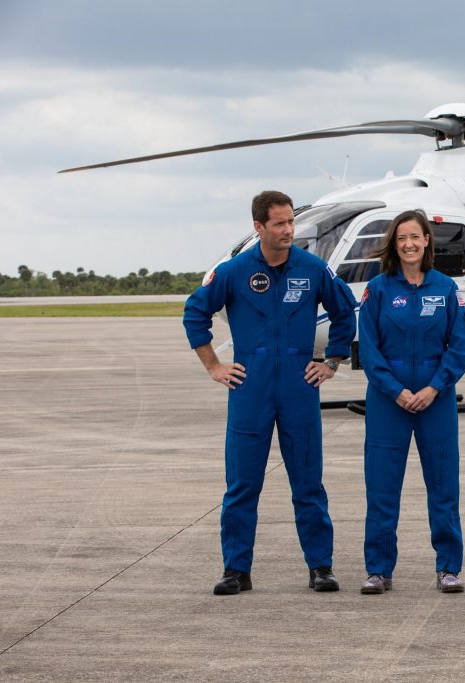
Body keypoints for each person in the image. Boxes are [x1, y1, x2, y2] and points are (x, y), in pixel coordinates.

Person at [183, 190, 357, 596]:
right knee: (242, 484)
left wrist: (331, 361)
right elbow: (195, 312)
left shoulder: (313, 269)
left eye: (291, 222)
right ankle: (235, 569)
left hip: (299, 385)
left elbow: (344, 312)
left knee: (308, 483)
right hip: (250, 387)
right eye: (279, 224)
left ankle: (320, 567)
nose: (288, 231)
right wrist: (213, 365)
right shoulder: (232, 271)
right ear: (258, 227)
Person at [357, 209, 465, 595]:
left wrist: (435, 387)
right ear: (395, 243)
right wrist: (396, 391)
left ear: (427, 242)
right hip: (389, 401)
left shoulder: (445, 289)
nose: (409, 244)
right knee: (382, 488)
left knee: (443, 486)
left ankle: (449, 567)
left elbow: (458, 346)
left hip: (435, 400)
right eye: (402, 237)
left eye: (416, 237)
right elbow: (369, 351)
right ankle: (378, 569)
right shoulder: (378, 290)